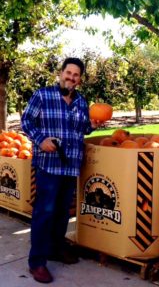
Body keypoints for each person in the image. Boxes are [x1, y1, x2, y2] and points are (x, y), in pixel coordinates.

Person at [21, 57, 103, 284]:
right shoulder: (43, 95)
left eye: (76, 75)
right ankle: (37, 262)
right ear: (61, 73)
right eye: (68, 73)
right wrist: (40, 140)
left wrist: (93, 125)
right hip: (48, 164)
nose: (71, 78)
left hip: (70, 166)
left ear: (80, 79)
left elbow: (83, 128)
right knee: (44, 212)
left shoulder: (81, 102)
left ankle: (55, 249)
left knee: (62, 213)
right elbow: (26, 121)